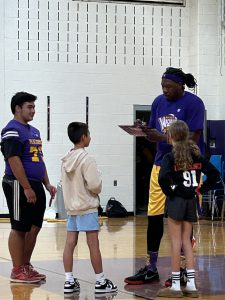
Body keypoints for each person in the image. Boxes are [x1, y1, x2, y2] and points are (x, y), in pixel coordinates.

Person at [124, 67, 205, 285]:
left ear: (181, 85)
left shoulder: (194, 104)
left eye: (169, 86)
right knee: (154, 215)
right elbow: (155, 134)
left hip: (186, 166)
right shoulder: (158, 102)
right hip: (161, 165)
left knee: (183, 219)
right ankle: (151, 267)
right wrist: (146, 132)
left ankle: (182, 271)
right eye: (162, 86)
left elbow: (194, 138)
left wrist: (162, 136)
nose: (165, 90)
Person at [157, 120, 220, 298]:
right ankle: (191, 285)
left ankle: (176, 286)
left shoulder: (170, 157)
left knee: (176, 243)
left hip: (177, 201)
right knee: (187, 242)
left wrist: (170, 192)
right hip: (192, 201)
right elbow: (214, 175)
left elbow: (162, 179)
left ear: (171, 136)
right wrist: (200, 189)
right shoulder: (196, 156)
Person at [1, 92, 57, 283]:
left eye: (34, 106)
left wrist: (47, 183)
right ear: (18, 108)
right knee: (19, 227)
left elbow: (38, 159)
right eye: (29, 107)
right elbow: (14, 160)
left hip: (35, 184)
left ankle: (26, 265)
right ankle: (17, 270)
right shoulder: (11, 130)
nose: (34, 110)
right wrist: (25, 187)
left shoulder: (34, 131)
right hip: (17, 184)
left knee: (34, 227)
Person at [61, 122, 117, 295]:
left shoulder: (65, 160)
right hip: (87, 207)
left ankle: (69, 281)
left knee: (70, 244)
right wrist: (99, 180)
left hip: (72, 209)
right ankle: (100, 281)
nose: (90, 137)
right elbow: (95, 186)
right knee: (93, 244)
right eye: (89, 134)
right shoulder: (87, 159)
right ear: (83, 137)